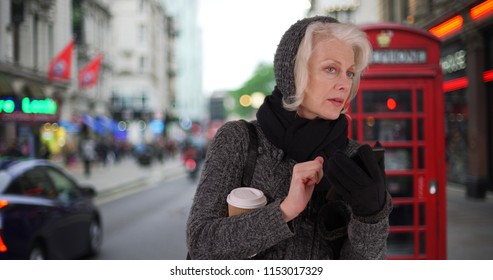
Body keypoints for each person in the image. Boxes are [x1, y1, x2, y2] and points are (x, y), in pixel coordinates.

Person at [186, 16, 392, 260]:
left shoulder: (354, 157)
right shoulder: (239, 140)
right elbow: (200, 243)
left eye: (349, 73)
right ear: (294, 72)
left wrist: (371, 216)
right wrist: (284, 211)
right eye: (331, 69)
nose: (344, 84)